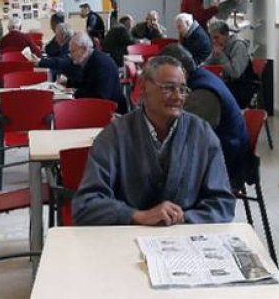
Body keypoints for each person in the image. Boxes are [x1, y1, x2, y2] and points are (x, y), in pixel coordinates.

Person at [73, 55, 235, 226]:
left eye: (182, 89)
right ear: (143, 88)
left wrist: (182, 219)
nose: (177, 97)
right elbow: (85, 204)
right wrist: (137, 216)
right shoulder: (115, 135)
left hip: (184, 239)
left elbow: (222, 203)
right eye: (168, 88)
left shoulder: (202, 134)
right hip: (125, 240)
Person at [160, 44, 250, 186]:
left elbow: (188, 135)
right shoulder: (197, 79)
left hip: (224, 162)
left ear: (181, 71)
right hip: (217, 151)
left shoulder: (203, 94)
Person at [63, 32, 126, 113]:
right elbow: (87, 84)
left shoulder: (101, 64)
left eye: (73, 51)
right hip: (99, 108)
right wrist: (68, 83)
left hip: (112, 113)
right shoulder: (91, 59)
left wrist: (75, 92)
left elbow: (100, 98)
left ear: (84, 49)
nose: (70, 55)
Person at [204, 19, 256, 109]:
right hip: (226, 84)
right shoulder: (220, 45)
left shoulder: (238, 46)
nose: (213, 41)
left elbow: (235, 73)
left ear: (226, 35)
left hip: (240, 88)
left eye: (216, 37)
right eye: (211, 37)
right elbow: (207, 65)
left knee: (209, 96)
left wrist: (220, 55)